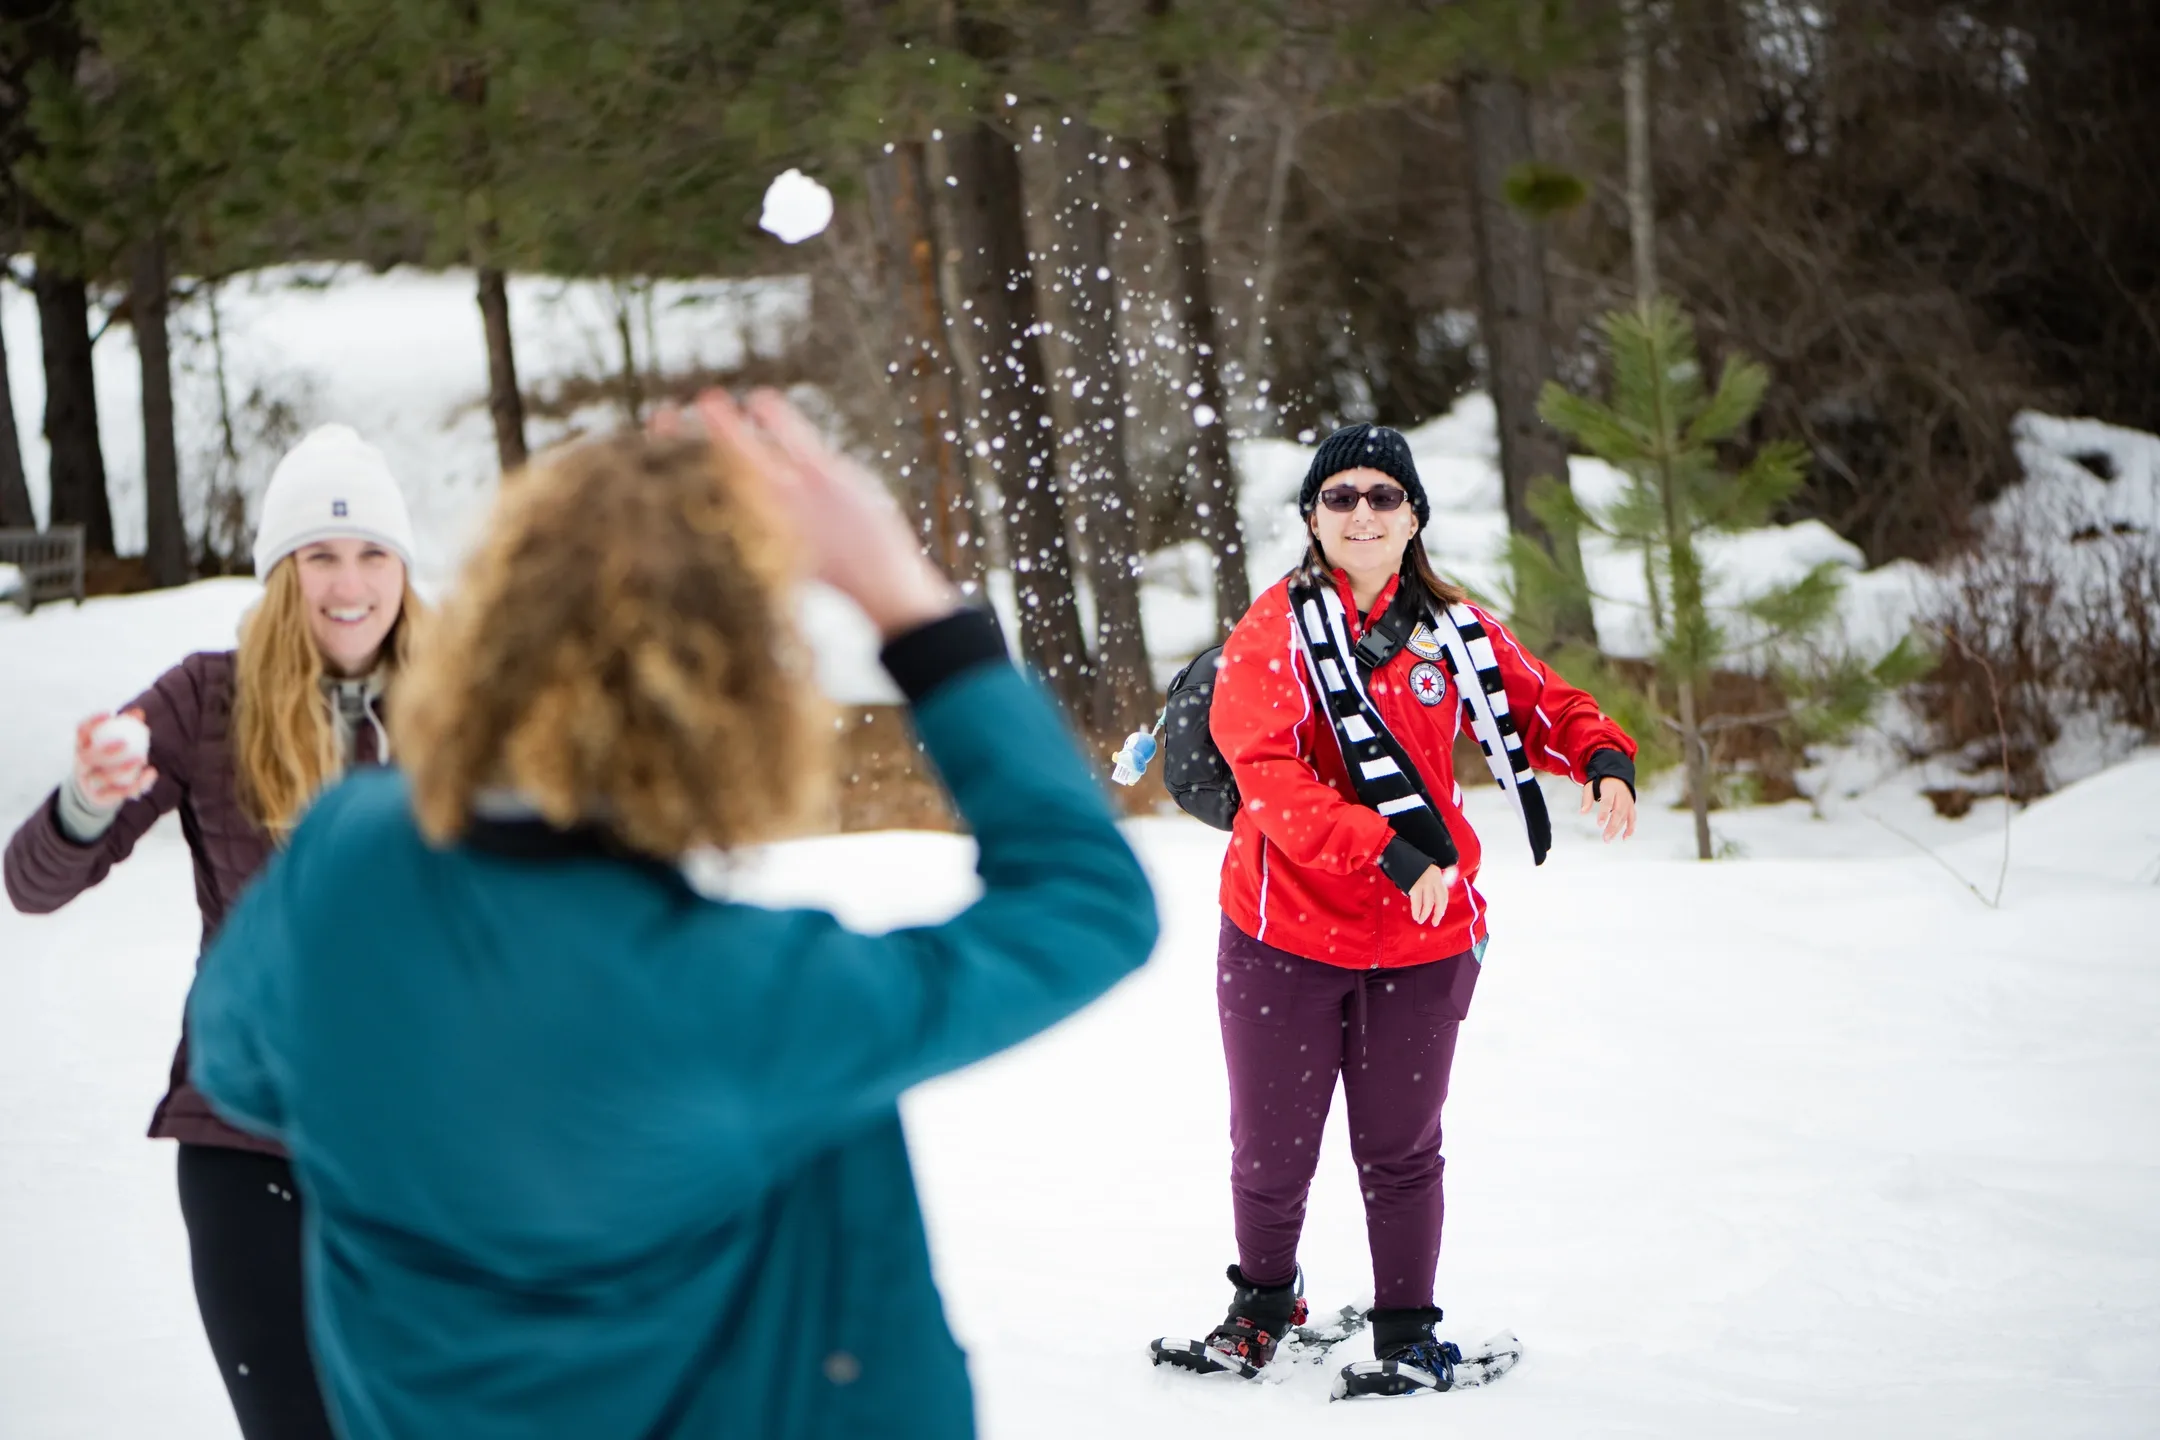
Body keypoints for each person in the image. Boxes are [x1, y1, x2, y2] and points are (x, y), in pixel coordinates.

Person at [181, 390, 1160, 1440]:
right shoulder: (749, 1002)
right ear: (740, 694)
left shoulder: (343, 862)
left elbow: (238, 1068)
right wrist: (905, 602)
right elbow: (1087, 903)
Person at [1156, 422, 1639, 1399]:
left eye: (1385, 495)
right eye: (1342, 496)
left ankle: (1408, 1332)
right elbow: (1271, 783)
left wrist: (1601, 755)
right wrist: (1386, 846)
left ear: (1414, 514)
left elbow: (1541, 702)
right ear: (1311, 518)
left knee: (1402, 1146)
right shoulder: (1272, 636)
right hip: (1281, 929)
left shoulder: (1453, 630)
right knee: (1273, 1143)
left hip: (1422, 938)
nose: (1364, 512)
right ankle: (1261, 1306)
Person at [4, 424, 426, 1439]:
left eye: (373, 552)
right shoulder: (204, 700)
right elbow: (31, 883)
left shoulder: (464, 704)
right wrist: (84, 803)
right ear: (283, 572)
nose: (349, 581)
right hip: (248, 1148)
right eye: (320, 555)